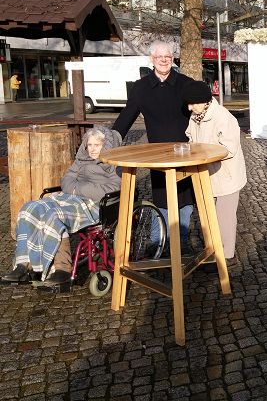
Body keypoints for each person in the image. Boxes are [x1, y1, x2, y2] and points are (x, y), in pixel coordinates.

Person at [0, 127, 122, 291]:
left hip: (94, 205)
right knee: (29, 208)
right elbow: (66, 181)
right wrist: (76, 189)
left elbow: (112, 188)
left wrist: (78, 188)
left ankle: (62, 270)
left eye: (97, 145)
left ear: (106, 146)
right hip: (70, 199)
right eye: (89, 145)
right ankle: (24, 266)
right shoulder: (81, 160)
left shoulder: (114, 164)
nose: (92, 149)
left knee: (52, 215)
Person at [113, 40, 195, 250]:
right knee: (161, 195)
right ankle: (159, 241)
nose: (164, 60)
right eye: (160, 57)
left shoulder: (185, 83)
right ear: (152, 59)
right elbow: (127, 115)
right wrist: (111, 138)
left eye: (168, 57)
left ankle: (181, 239)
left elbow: (200, 108)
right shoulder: (141, 87)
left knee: (185, 194)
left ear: (173, 58)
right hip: (157, 152)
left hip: (184, 149)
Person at [183, 82, 247, 266]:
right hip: (207, 175)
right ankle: (212, 250)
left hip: (227, 176)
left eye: (193, 103)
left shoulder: (223, 118)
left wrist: (202, 153)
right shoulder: (195, 116)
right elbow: (191, 137)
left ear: (204, 101)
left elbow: (229, 149)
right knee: (208, 216)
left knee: (224, 217)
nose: (189, 107)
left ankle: (226, 256)